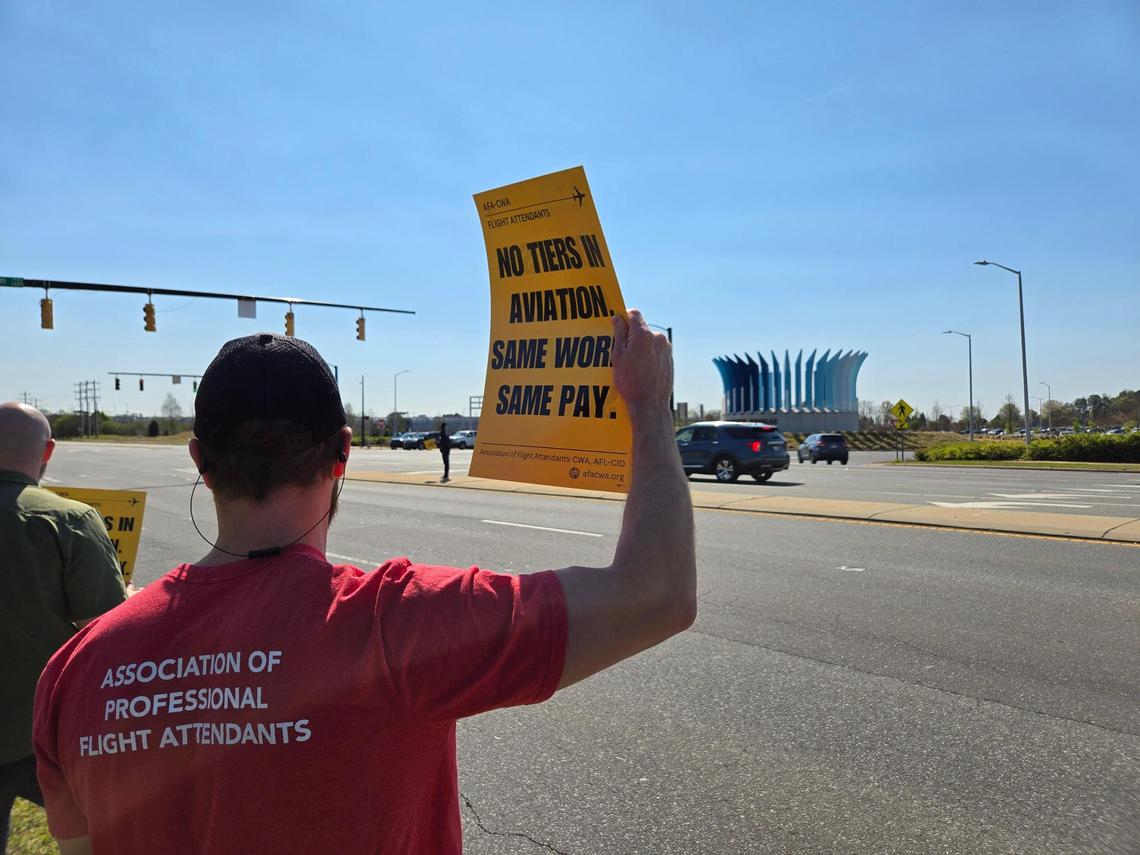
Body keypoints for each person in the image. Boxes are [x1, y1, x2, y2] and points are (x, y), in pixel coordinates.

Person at [34, 313, 695, 854]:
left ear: (200, 459)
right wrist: (649, 406)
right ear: (343, 452)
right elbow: (658, 593)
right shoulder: (395, 623)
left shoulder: (74, 668)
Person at [0, 402, 127, 851]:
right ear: (48, 451)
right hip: (45, 731)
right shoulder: (69, 520)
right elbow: (106, 630)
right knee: (101, 834)